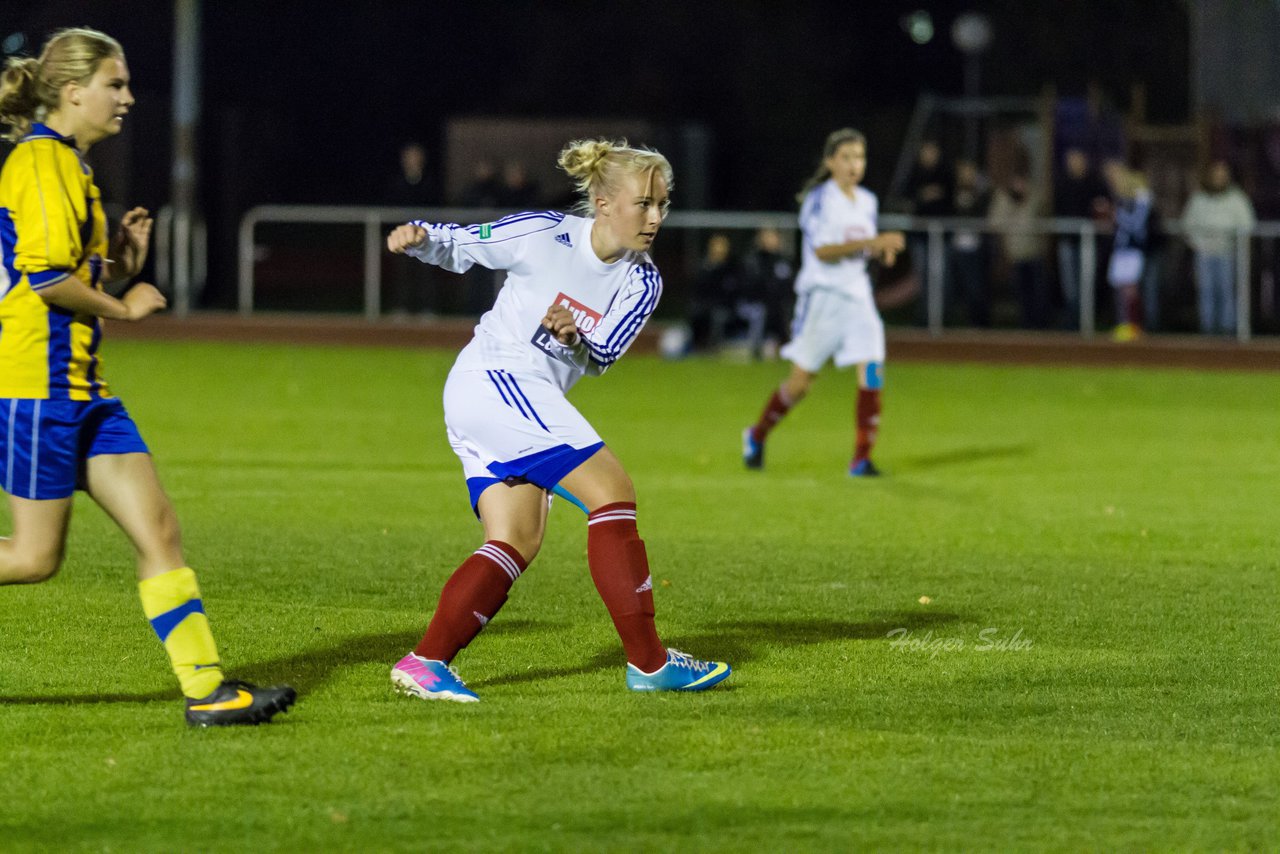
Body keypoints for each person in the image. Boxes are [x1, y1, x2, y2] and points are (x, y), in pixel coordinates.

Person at [0, 28, 296, 726]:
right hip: (37, 389)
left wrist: (124, 263)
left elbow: (67, 272)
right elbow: (44, 281)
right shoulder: (40, 165)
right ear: (72, 91)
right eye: (116, 84)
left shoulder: (71, 166)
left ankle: (207, 693)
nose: (128, 98)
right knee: (36, 557)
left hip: (85, 391)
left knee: (159, 529)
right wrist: (124, 306)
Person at [385, 138, 731, 702]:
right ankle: (649, 664)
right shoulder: (545, 233)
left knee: (516, 538)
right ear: (602, 201)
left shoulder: (641, 281)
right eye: (644, 203)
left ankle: (426, 662)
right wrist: (421, 237)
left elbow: (602, 356)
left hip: (510, 397)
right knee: (612, 492)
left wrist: (574, 338)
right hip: (495, 380)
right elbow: (465, 244)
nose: (655, 217)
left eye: (662, 205)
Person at [741, 128, 904, 477]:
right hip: (823, 299)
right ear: (830, 162)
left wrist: (881, 251)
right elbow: (822, 251)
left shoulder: (868, 201)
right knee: (800, 384)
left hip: (858, 297)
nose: (853, 165)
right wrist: (875, 241)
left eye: (859, 157)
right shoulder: (819, 199)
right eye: (845, 157)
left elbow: (862, 247)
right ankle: (756, 434)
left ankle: (861, 458)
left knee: (873, 371)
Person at [1181, 159, 1257, 335]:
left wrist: (1231, 238)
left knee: (1227, 290)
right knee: (1206, 291)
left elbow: (1247, 224)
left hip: (1227, 251)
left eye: (1223, 175)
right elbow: (1188, 225)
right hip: (1204, 252)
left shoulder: (1236, 198)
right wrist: (1199, 244)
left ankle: (1227, 330)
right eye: (1216, 174)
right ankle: (1208, 329)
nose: (1219, 178)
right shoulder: (1199, 198)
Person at [1052, 147, 1110, 329]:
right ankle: (1072, 323)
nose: (1074, 163)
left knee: (1087, 284)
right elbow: (1057, 209)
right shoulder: (1062, 183)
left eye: (1077, 159)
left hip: (1088, 242)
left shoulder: (1095, 183)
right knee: (1070, 287)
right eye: (1071, 160)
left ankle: (1088, 324)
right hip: (1068, 241)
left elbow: (1102, 208)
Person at [988, 171, 1051, 329]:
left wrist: (1028, 195)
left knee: (1039, 292)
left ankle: (1041, 325)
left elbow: (1043, 209)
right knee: (1022, 294)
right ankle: (1026, 325)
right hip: (1015, 255)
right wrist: (1006, 198)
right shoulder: (1004, 200)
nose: (1019, 185)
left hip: (1035, 253)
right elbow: (993, 223)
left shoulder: (1033, 198)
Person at [383, 141, 438, 318]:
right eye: (409, 157)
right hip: (403, 237)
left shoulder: (430, 181)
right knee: (402, 274)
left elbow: (435, 206)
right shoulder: (397, 181)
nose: (412, 160)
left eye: (415, 156)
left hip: (424, 237)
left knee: (425, 274)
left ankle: (427, 309)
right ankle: (402, 308)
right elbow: (392, 207)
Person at [1104, 163, 1156, 341]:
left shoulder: (1142, 200)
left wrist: (1117, 216)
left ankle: (1135, 326)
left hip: (1132, 250)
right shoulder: (1125, 200)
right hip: (1122, 249)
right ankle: (1123, 324)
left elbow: (1135, 225)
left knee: (1130, 290)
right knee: (1120, 289)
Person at [738, 226, 794, 359]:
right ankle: (756, 351)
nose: (771, 241)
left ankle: (782, 353)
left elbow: (789, 284)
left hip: (779, 305)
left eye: (773, 237)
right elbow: (749, 285)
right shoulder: (754, 260)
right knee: (760, 313)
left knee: (785, 314)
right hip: (758, 303)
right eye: (767, 237)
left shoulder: (784, 260)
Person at [947, 159, 990, 327]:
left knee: (977, 287)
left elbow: (982, 212)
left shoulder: (981, 192)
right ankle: (966, 321)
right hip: (958, 246)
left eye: (969, 171)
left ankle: (980, 322)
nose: (966, 175)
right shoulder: (954, 191)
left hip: (976, 247)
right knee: (962, 288)